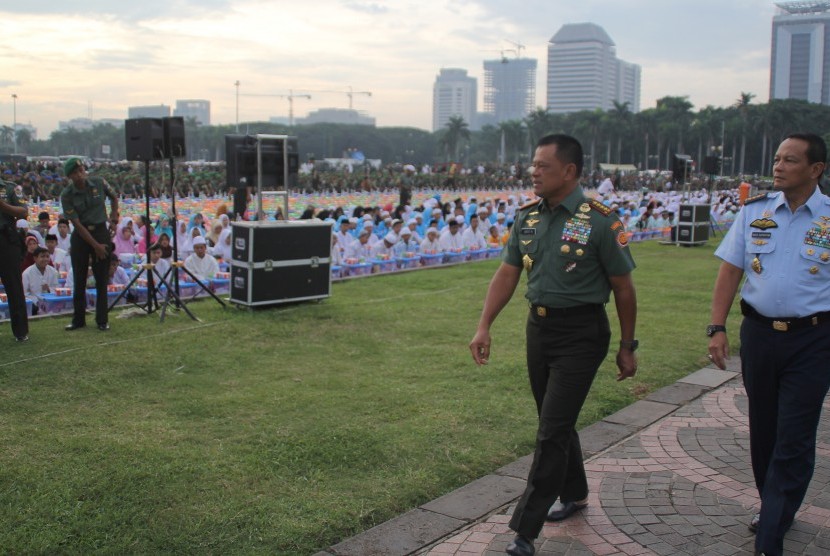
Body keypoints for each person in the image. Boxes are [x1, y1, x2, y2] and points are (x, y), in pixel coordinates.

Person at [468, 134, 638, 556]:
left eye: (543, 166)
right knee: (554, 420)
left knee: (550, 430)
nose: (534, 173)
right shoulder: (527, 217)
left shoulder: (601, 220)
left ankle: (525, 531)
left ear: (570, 172)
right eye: (533, 165)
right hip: (538, 330)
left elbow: (623, 287)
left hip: (582, 333)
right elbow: (508, 274)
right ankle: (576, 492)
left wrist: (627, 344)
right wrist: (484, 325)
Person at [707, 132, 830, 556]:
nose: (777, 166)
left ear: (816, 170)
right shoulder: (755, 212)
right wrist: (716, 327)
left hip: (814, 338)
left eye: (790, 160)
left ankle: (770, 536)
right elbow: (730, 272)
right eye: (777, 158)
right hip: (759, 336)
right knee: (764, 431)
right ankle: (775, 503)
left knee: (795, 434)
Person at [60, 157, 119, 332]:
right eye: (76, 173)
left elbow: (114, 197)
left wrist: (114, 218)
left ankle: (102, 320)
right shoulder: (67, 195)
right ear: (70, 176)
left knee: (102, 277)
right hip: (82, 235)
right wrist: (96, 246)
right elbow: (77, 225)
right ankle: (78, 319)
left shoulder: (98, 182)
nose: (80, 174)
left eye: (82, 170)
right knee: (79, 277)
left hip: (101, 230)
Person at [0, 176, 30, 342]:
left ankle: (21, 331)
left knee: (13, 286)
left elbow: (23, 211)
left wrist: (3, 206)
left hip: (5, 239)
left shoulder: (10, 188)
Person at [22, 246, 59, 313]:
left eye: (47, 256)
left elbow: (57, 289)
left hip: (51, 303)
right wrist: (37, 302)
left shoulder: (53, 271)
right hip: (34, 304)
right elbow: (25, 294)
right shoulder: (27, 273)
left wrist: (49, 289)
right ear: (35, 258)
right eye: (42, 256)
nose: (45, 259)